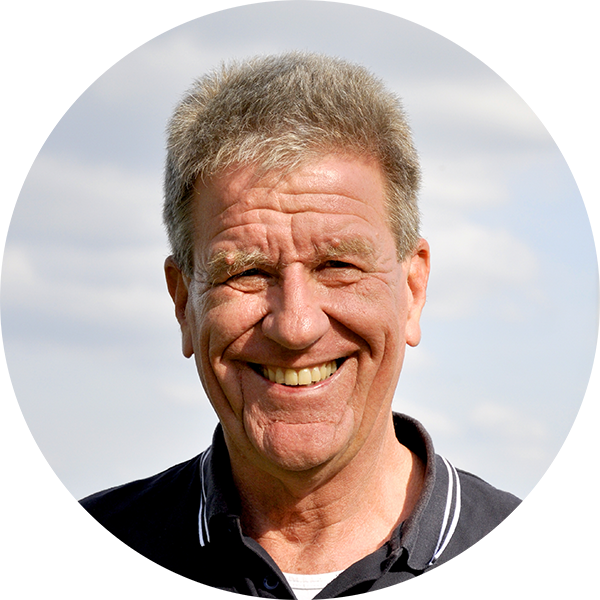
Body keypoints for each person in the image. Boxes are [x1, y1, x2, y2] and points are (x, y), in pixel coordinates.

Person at [56, 53, 543, 599]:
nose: (295, 326)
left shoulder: (537, 568)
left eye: (337, 265)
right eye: (247, 272)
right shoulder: (78, 563)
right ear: (183, 302)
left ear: (412, 290)